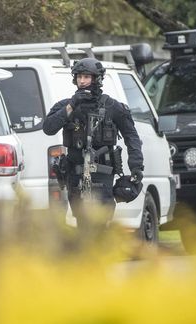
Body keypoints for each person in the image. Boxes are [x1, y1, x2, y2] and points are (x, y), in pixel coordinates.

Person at [43, 58, 144, 233]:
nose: (82, 81)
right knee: (81, 220)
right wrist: (72, 105)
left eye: (86, 77)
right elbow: (49, 128)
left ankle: (100, 252)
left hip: (102, 172)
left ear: (96, 79)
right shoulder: (66, 105)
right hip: (75, 172)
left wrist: (136, 165)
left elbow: (131, 136)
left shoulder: (113, 107)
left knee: (102, 218)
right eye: (79, 77)